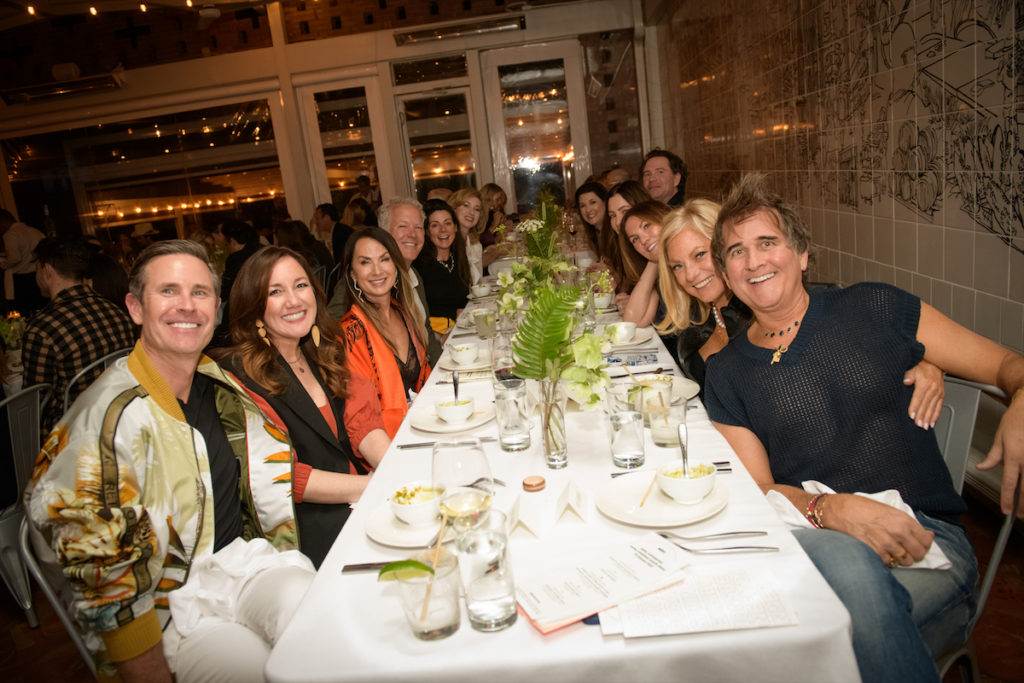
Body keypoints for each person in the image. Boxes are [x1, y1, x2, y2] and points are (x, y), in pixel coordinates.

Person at [705, 174, 1024, 682]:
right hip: (815, 540)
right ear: (725, 272)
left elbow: (1009, 364)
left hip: (921, 543)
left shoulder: (873, 307)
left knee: (808, 645)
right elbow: (760, 490)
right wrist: (829, 508)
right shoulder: (727, 372)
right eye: (736, 252)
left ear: (803, 254)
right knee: (832, 577)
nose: (754, 261)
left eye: (768, 242)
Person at [25, 240, 315, 683]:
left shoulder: (214, 382)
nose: (187, 305)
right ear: (135, 307)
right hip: (171, 607)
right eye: (169, 291)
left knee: (317, 619)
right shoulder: (102, 423)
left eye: (200, 292)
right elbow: (105, 581)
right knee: (250, 670)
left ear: (216, 308)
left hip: (243, 564)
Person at [657, 200, 947, 420]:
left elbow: (856, 343)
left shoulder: (782, 308)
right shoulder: (698, 328)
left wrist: (920, 360)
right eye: (678, 266)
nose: (692, 275)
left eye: (700, 255)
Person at [219, 246, 389, 568]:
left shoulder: (318, 349)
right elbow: (281, 473)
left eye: (300, 285)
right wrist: (374, 486)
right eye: (275, 292)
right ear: (254, 306)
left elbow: (360, 421)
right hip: (304, 530)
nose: (294, 300)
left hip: (355, 501)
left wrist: (397, 472)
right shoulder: (240, 376)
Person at [22, 238, 137, 432]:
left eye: (36, 269)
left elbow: (33, 404)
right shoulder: (116, 311)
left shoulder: (42, 328)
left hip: (72, 429)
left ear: (47, 270)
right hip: (122, 415)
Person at [339, 228, 430, 437]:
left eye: (384, 259)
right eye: (365, 262)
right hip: (387, 445)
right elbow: (363, 417)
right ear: (353, 274)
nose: (377, 271)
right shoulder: (351, 333)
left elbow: (425, 380)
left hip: (422, 428)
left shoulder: (404, 313)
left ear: (396, 266)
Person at [416, 198, 471, 332]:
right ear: (427, 232)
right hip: (437, 334)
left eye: (448, 223)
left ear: (455, 227)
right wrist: (455, 314)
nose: (443, 230)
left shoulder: (458, 257)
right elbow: (421, 312)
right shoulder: (420, 266)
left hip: (461, 328)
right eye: (435, 225)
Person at [618, 200, 670, 328]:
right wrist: (653, 261)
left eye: (646, 226)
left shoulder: (690, 263)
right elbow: (632, 322)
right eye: (635, 239)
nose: (644, 240)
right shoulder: (660, 274)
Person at [213, 219, 261, 345]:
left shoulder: (236, 259)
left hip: (243, 314)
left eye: (227, 244)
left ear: (233, 242)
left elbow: (225, 292)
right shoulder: (262, 252)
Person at [605, 181, 652, 295]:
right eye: (612, 215)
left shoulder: (652, 245)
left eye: (625, 211)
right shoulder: (625, 248)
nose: (618, 222)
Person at [0, 208, 45, 314]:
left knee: (23, 311)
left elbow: (14, 258)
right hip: (37, 275)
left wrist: (3, 265)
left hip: (21, 280)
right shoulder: (34, 231)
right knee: (40, 308)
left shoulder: (11, 234)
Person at [574, 181, 607, 260]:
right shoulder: (597, 232)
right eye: (583, 206)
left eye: (593, 202)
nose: (588, 210)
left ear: (605, 202)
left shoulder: (615, 232)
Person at [479, 182, 509, 248]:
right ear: (487, 200)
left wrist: (501, 227)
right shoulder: (478, 216)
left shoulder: (494, 212)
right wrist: (494, 225)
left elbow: (496, 238)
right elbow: (480, 243)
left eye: (501, 199)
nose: (500, 202)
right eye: (498, 199)